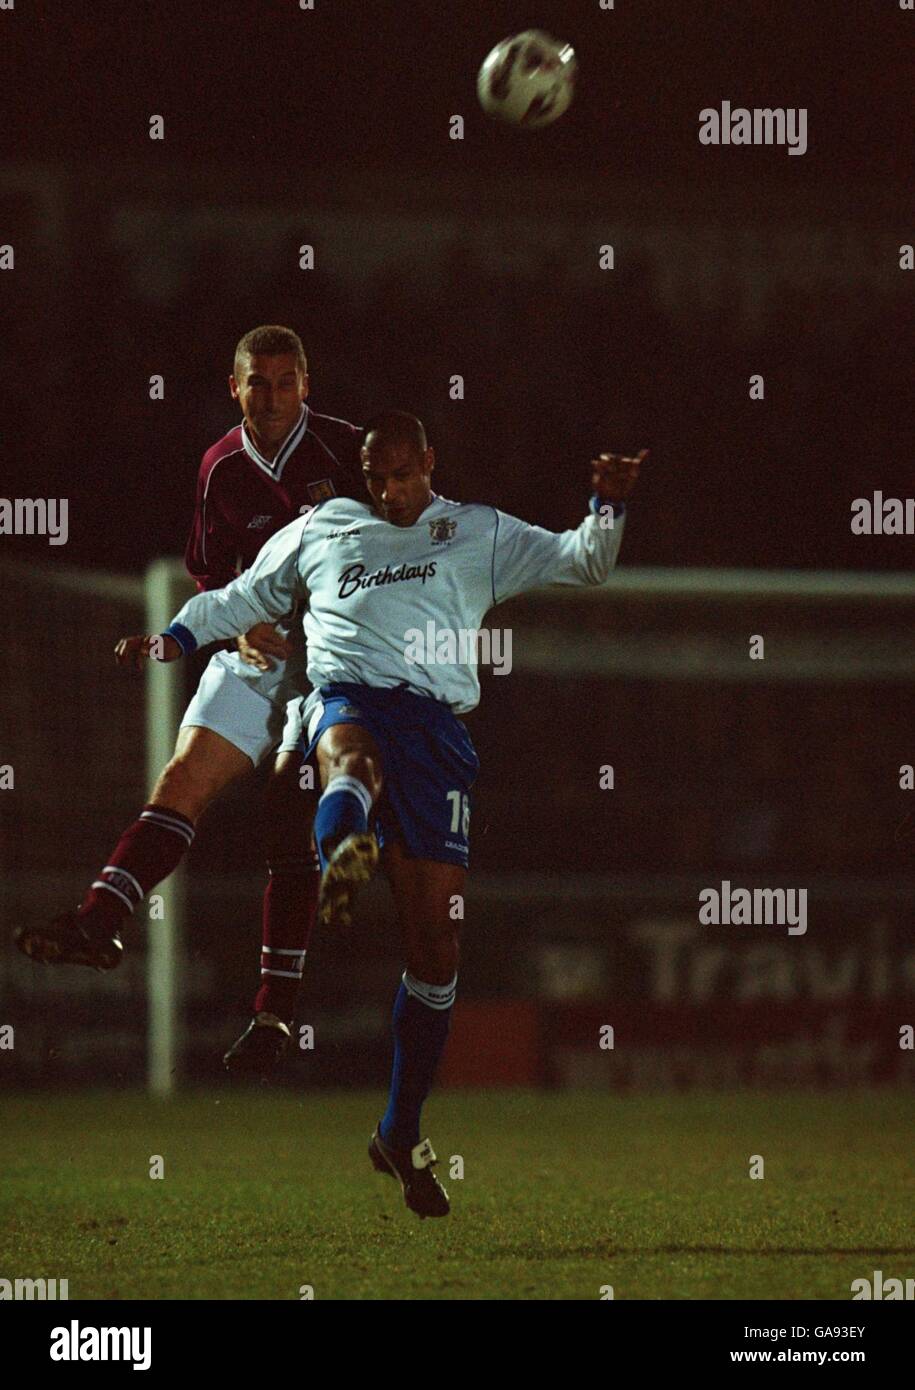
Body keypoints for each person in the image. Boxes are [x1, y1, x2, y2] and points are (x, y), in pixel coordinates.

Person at [114, 410, 645, 1218]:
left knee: (436, 945)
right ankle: (342, 855)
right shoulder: (327, 527)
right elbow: (242, 596)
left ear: (428, 463)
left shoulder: (478, 532)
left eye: (404, 475)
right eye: (377, 478)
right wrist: (170, 642)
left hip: (436, 732)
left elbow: (585, 563)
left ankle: (398, 1131)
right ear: (363, 476)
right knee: (348, 762)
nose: (391, 492)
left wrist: (604, 504)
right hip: (348, 697)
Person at [16, 325, 363, 1073]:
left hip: (336, 663)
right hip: (257, 652)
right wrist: (238, 630)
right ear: (233, 387)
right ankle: (98, 923)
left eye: (283, 380)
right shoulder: (219, 467)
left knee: (289, 815)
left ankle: (274, 1013)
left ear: (306, 383)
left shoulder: (350, 452)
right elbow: (211, 576)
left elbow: (396, 553)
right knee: (182, 781)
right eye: (255, 382)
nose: (269, 396)